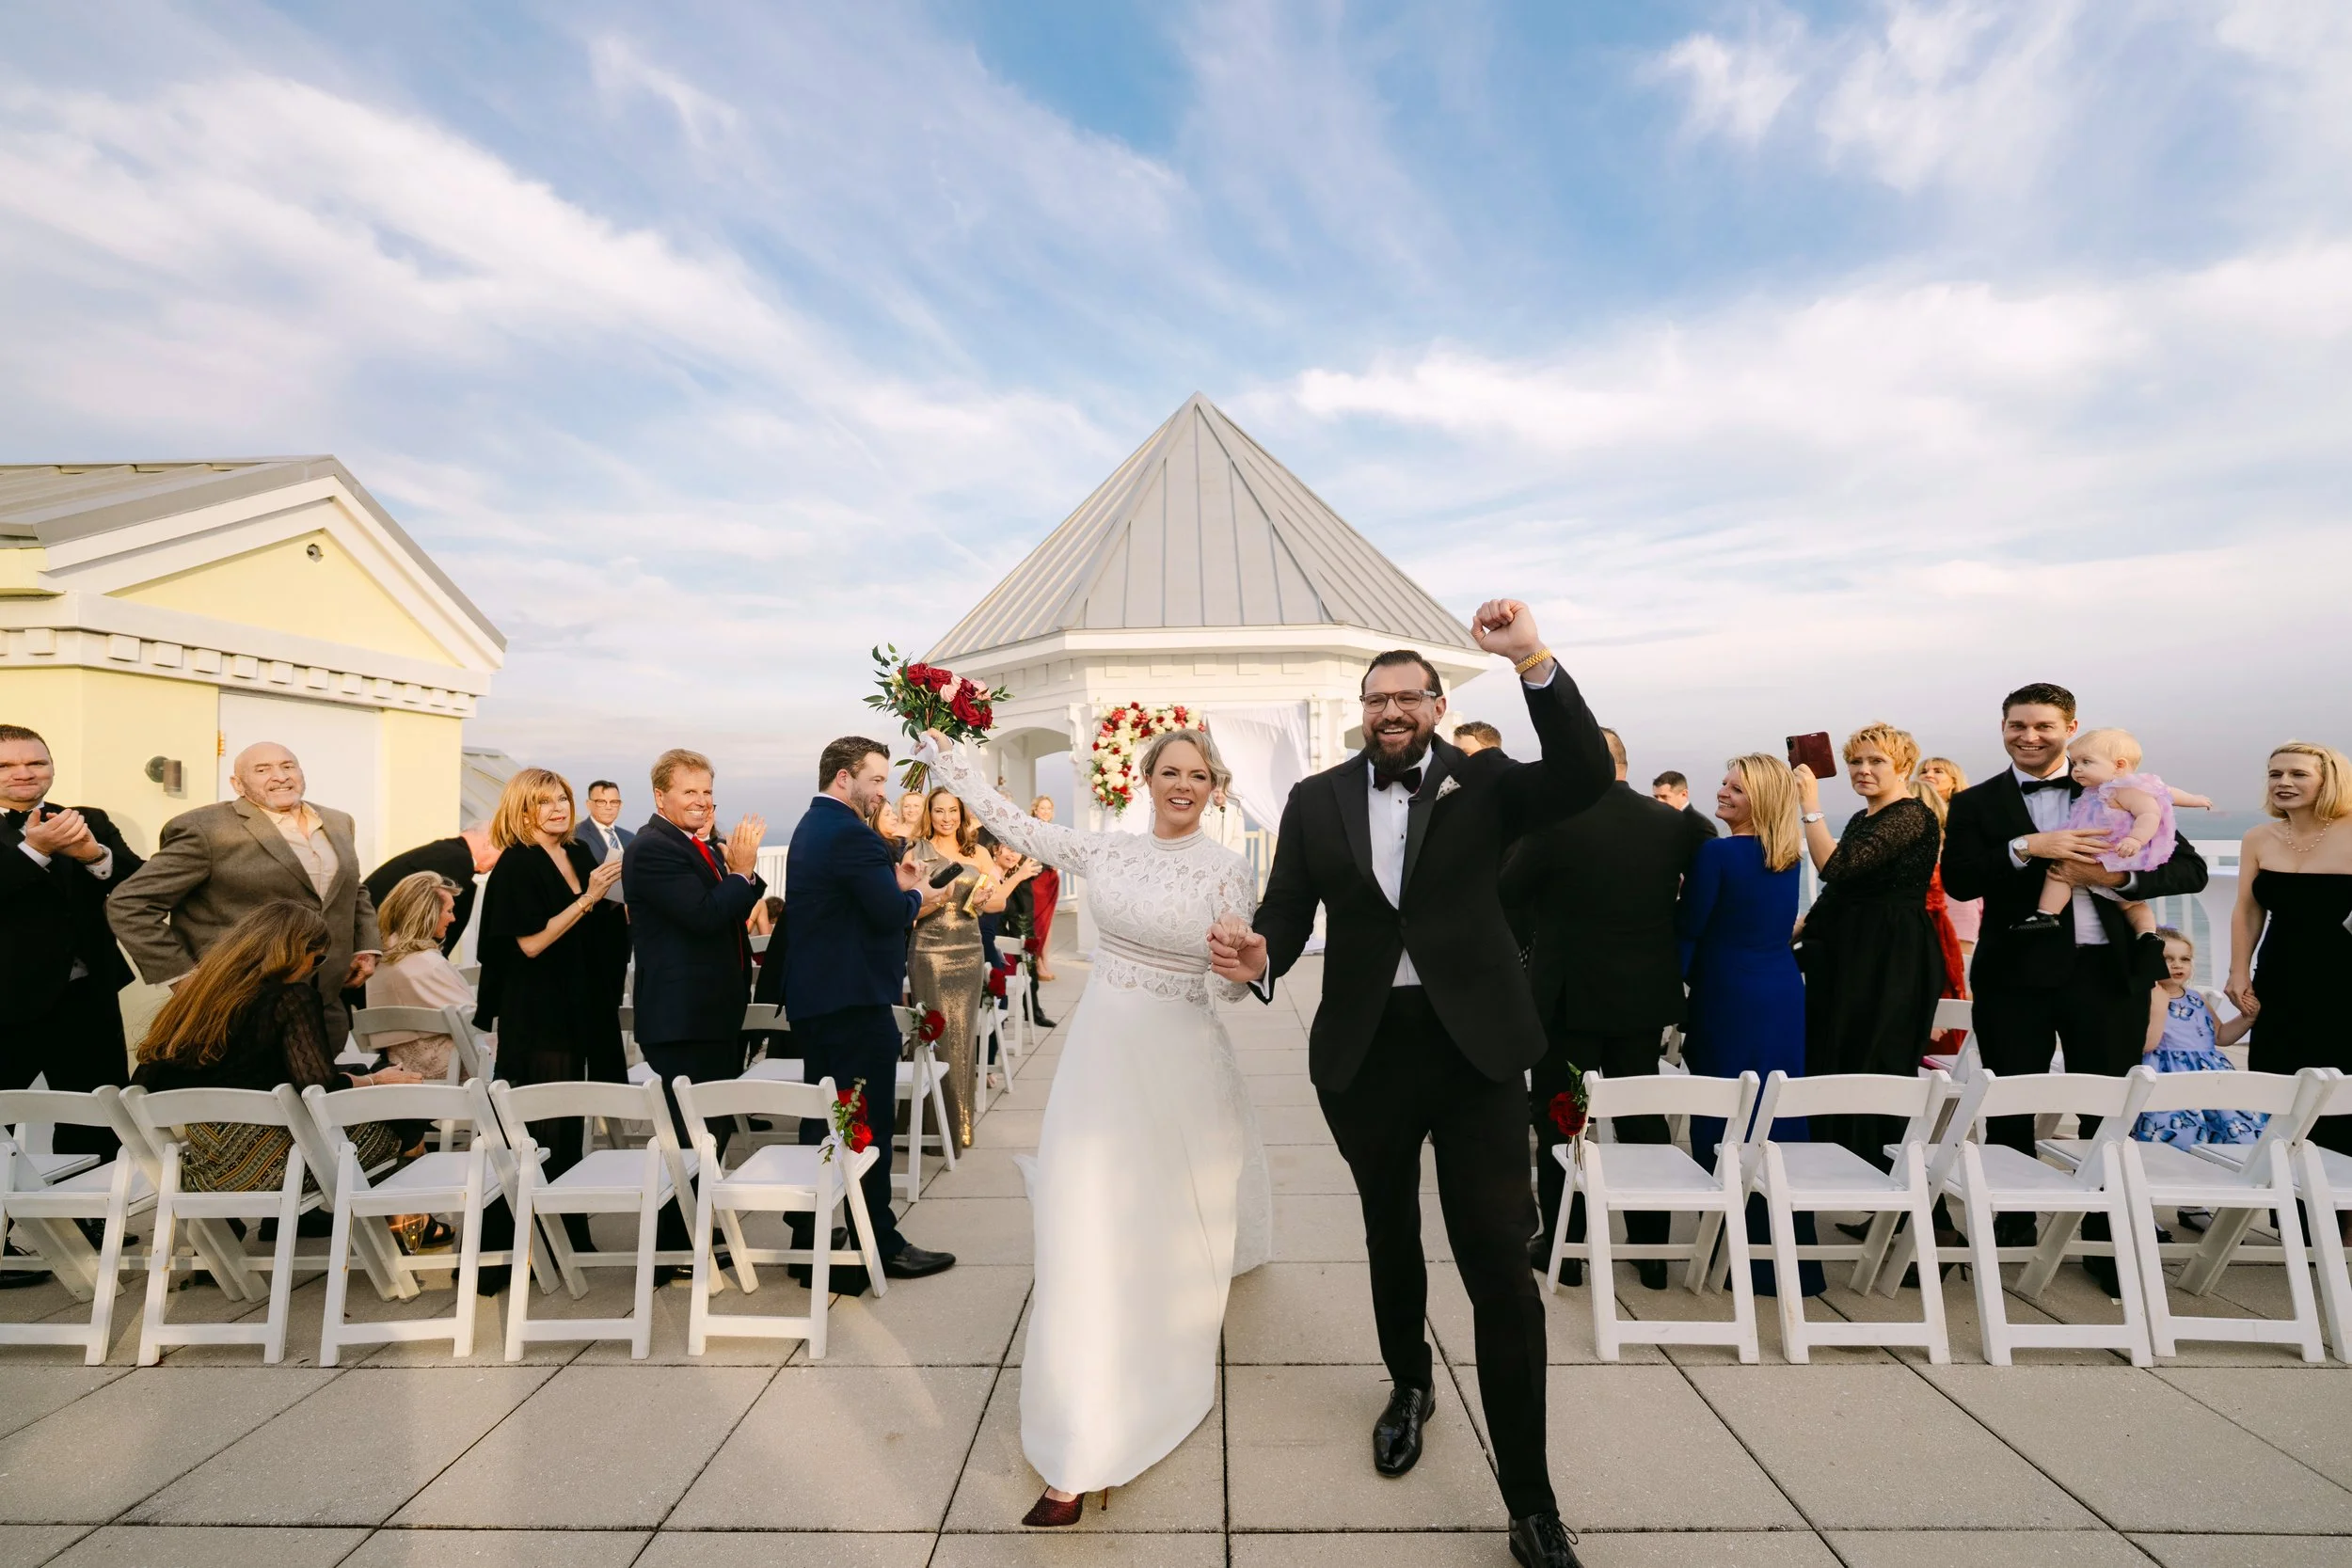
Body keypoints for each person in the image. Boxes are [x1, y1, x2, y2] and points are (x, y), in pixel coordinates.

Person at [1210, 599, 1613, 1568]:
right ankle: (1409, 1382)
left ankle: (1529, 1497)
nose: (1391, 708)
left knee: (1496, 1264)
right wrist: (1261, 951)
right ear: (1361, 708)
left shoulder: (1488, 783)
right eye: (1376, 696)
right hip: (1363, 1051)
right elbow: (1288, 909)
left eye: (1408, 695)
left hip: (1473, 1048)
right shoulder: (1315, 798)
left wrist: (1530, 658)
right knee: (1387, 1228)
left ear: (1434, 704)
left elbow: (1585, 774)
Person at [921, 722, 1267, 1528]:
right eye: (1170, 771)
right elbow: (1015, 824)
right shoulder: (1107, 850)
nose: (1184, 784)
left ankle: (1154, 1375)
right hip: (1100, 1060)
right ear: (1146, 778)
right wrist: (952, 763)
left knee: (1165, 1232)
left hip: (1181, 1062)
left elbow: (1228, 989)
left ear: (1213, 788)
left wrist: (1244, 970)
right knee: (1082, 1229)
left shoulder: (1226, 871)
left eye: (1199, 774)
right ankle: (1076, 1431)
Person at [1943, 683, 2208, 1277]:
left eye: (2043, 726)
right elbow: (1958, 881)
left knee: (2109, 1104)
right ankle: (2012, 1220)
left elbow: (2187, 868)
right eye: (2017, 725)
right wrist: (2025, 846)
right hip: (2015, 973)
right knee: (2010, 1099)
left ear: (2071, 727)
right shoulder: (1976, 802)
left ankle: (2106, 1231)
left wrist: (2114, 880)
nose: (2029, 736)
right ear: (2003, 727)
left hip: (2107, 974)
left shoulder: (2117, 787)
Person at [1501, 726, 1709, 1283]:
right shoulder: (1676, 822)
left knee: (1564, 1117)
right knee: (1641, 1116)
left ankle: (1567, 1247)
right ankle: (1651, 1251)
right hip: (1643, 997)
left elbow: (1508, 891)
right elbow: (1705, 881)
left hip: (1568, 1000)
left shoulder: (1553, 822)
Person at [777, 736, 955, 1287]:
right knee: (865, 1124)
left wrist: (894, 883)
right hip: (852, 1002)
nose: (883, 791)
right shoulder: (849, 833)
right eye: (876, 780)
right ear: (843, 778)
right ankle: (878, 1244)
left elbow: (855, 901)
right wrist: (917, 897)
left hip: (822, 998)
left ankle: (810, 1242)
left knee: (830, 1121)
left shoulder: (813, 825)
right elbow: (883, 913)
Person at [131, 902, 419, 1191]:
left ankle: (396, 1222)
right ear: (296, 951)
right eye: (316, 959)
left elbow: (142, 1086)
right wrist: (375, 1081)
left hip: (204, 1171)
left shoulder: (196, 1001)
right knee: (400, 1123)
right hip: (276, 1167)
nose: (310, 970)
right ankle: (413, 1224)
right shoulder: (291, 999)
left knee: (369, 1088)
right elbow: (318, 1088)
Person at [111, 742, 380, 1044]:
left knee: (322, 1089)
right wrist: (183, 978)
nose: (280, 776)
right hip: (239, 1008)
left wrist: (366, 946)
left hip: (325, 1004)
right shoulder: (204, 829)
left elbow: (351, 887)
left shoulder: (339, 821)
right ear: (237, 784)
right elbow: (130, 905)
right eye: (262, 770)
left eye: (288, 766)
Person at [1677, 754, 1824, 1299]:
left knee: (1725, 1113)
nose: (1723, 793)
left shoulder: (1717, 853)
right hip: (1783, 995)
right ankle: (1790, 1263)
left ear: (1760, 798)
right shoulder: (1789, 859)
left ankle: (1729, 1251)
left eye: (1735, 789)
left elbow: (1691, 928)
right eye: (1723, 784)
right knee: (1778, 1119)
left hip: (1729, 996)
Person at [1793, 723, 1945, 1163]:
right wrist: (1797, 931)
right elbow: (1843, 892)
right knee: (1837, 1056)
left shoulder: (1912, 815)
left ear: (1902, 766)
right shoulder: (1864, 817)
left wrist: (1810, 807)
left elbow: (1837, 868)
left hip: (1892, 954)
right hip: (1849, 949)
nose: (1863, 769)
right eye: (1856, 761)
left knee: (1878, 1062)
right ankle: (1848, 1176)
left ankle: (1901, 1195)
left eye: (1876, 760)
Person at [476, 768, 625, 1214]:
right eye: (545, 801)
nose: (558, 808)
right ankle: (527, 1230)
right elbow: (531, 942)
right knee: (542, 1124)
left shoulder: (577, 853)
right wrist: (589, 897)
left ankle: (567, 1224)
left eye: (562, 798)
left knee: (571, 1118)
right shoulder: (517, 863)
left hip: (580, 1002)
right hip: (538, 1009)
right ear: (523, 810)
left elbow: (595, 927)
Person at [0, 724, 144, 1158]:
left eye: (35, 762)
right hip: (5, 1002)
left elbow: (141, 886)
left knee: (97, 1115)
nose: (23, 773)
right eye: (6, 765)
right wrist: (35, 851)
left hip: (87, 997)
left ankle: (92, 1222)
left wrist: (94, 856)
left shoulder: (89, 819)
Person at [622, 748, 767, 1150]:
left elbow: (731, 906)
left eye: (707, 791)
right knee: (690, 1140)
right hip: (683, 1020)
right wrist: (739, 870)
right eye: (689, 792)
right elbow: (705, 915)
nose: (701, 801)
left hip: (710, 1014)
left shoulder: (692, 844)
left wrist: (742, 872)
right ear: (659, 796)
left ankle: (701, 1211)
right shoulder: (653, 848)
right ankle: (684, 1214)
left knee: (711, 1135)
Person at [2228, 741, 2352, 1200]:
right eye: (2275, 774)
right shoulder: (2259, 838)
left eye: (2298, 774)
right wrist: (2239, 971)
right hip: (2279, 978)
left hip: (2343, 983)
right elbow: (2246, 909)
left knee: (2341, 1097)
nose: (2283, 783)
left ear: (2328, 780)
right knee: (2280, 1089)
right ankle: (2293, 1211)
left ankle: (2341, 1215)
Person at [2017, 729, 2213, 937]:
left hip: (2116, 852)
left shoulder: (2127, 789)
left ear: (2119, 765)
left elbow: (2151, 812)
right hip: (2091, 851)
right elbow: (2170, 792)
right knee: (2067, 877)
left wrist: (2135, 840)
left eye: (2086, 762)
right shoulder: (2093, 791)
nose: (2077, 769)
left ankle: (2146, 935)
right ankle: (2049, 915)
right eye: (2075, 763)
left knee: (2125, 902)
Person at [907, 786, 992, 1148]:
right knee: (930, 1034)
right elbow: (908, 914)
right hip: (928, 951)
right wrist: (937, 898)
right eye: (939, 811)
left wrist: (983, 900)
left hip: (969, 950)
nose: (946, 818)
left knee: (962, 1034)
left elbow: (996, 900)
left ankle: (959, 1124)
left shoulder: (978, 853)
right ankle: (924, 1127)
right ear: (930, 814)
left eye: (952, 811)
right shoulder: (916, 854)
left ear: (961, 814)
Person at [2136, 929, 2262, 1164]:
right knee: (2180, 1132)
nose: (2177, 965)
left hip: (2210, 1073)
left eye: (2184, 959)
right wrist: (2158, 1006)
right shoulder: (2146, 996)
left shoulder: (2196, 998)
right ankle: (2180, 1175)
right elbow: (2145, 1043)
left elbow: (2221, 1036)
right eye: (2167, 958)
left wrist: (2247, 1019)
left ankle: (2223, 1173)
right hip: (2169, 1074)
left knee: (2234, 1126)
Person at [363, 871, 476, 1079]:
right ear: (429, 915)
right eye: (449, 911)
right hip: (455, 1073)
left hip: (400, 1068)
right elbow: (472, 1023)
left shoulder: (378, 963)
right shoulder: (429, 964)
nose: (453, 918)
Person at [363, 824, 499, 958]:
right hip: (378, 946)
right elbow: (433, 923)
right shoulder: (459, 860)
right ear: (488, 844)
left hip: (367, 937)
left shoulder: (442, 852)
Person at [574, 779, 636, 1018]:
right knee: (592, 995)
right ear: (589, 804)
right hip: (591, 922)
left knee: (614, 992)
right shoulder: (576, 836)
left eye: (614, 802)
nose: (609, 807)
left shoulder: (630, 838)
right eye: (602, 801)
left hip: (623, 924)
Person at [1917, 758, 1981, 956]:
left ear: (1954, 781)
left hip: (1955, 894)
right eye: (1924, 771)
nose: (1929, 775)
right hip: (1919, 898)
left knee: (1959, 962)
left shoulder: (1967, 814)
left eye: (1938, 771)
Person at [1026, 795, 1062, 983]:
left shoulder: (1054, 830)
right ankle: (1036, 963)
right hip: (1038, 878)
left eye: (1049, 808)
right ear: (1035, 810)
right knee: (1038, 922)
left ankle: (1045, 960)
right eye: (1042, 808)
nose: (1046, 811)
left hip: (1051, 879)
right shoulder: (1032, 829)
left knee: (1048, 924)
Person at [1653, 769, 1722, 838]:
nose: (1658, 801)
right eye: (1656, 797)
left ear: (1684, 794)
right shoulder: (1658, 822)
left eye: (1664, 797)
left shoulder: (1700, 826)